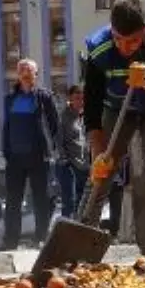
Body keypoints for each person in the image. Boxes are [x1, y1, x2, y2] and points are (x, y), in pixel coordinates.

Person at [80, 0, 145, 272]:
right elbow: (91, 106)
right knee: (103, 171)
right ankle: (81, 241)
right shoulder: (99, 49)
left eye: (133, 41)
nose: (124, 48)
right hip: (117, 109)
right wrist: (98, 152)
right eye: (118, 39)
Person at [0, 59, 59, 248]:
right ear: (18, 74)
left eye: (29, 70)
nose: (25, 73)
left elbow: (54, 125)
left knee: (41, 198)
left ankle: (41, 237)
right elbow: (7, 126)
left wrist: (55, 151)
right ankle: (11, 240)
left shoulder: (44, 97)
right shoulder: (10, 99)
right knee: (12, 200)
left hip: (38, 155)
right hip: (15, 157)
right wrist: (5, 150)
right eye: (22, 70)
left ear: (36, 74)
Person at [56, 85, 89, 219]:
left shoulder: (86, 116)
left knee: (83, 200)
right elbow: (58, 140)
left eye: (82, 99)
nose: (80, 102)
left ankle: (81, 227)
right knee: (70, 200)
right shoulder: (63, 116)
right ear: (70, 98)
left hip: (85, 164)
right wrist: (64, 159)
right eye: (77, 98)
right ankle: (66, 227)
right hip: (68, 165)